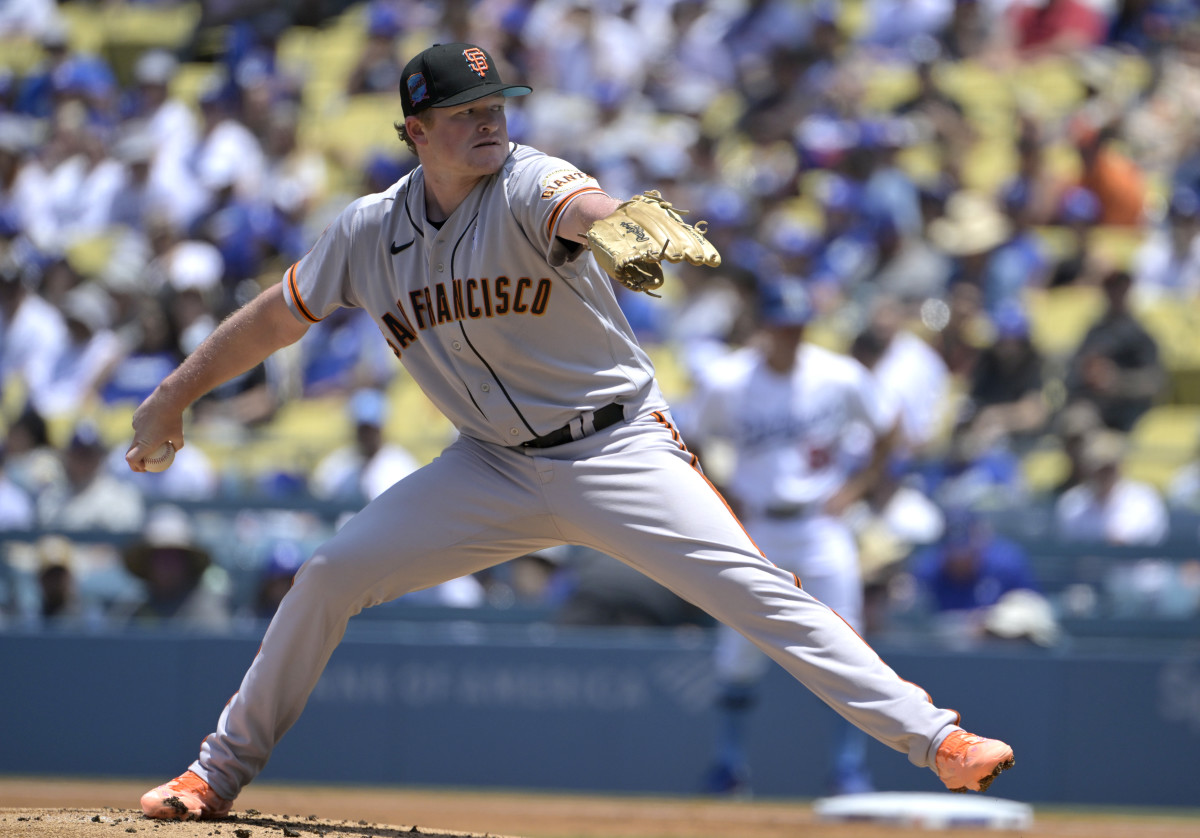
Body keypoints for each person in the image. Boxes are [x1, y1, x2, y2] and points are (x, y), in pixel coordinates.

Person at [128, 43, 1014, 821]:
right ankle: (215, 776)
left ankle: (936, 737)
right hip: (488, 468)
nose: (488, 123)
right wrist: (174, 394)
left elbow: (585, 207)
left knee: (754, 590)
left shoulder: (527, 180)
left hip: (615, 448)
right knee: (326, 576)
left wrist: (618, 229)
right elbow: (280, 319)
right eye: (463, 112)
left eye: (496, 107)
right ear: (414, 132)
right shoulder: (367, 232)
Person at [682, 277, 902, 796]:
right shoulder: (730, 381)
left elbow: (890, 427)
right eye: (783, 327)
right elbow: (689, 433)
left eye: (799, 327)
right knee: (738, 652)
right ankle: (729, 767)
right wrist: (723, 490)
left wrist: (859, 487)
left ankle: (849, 769)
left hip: (821, 526)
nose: (792, 336)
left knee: (848, 648)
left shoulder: (838, 375)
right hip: (756, 525)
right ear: (764, 328)